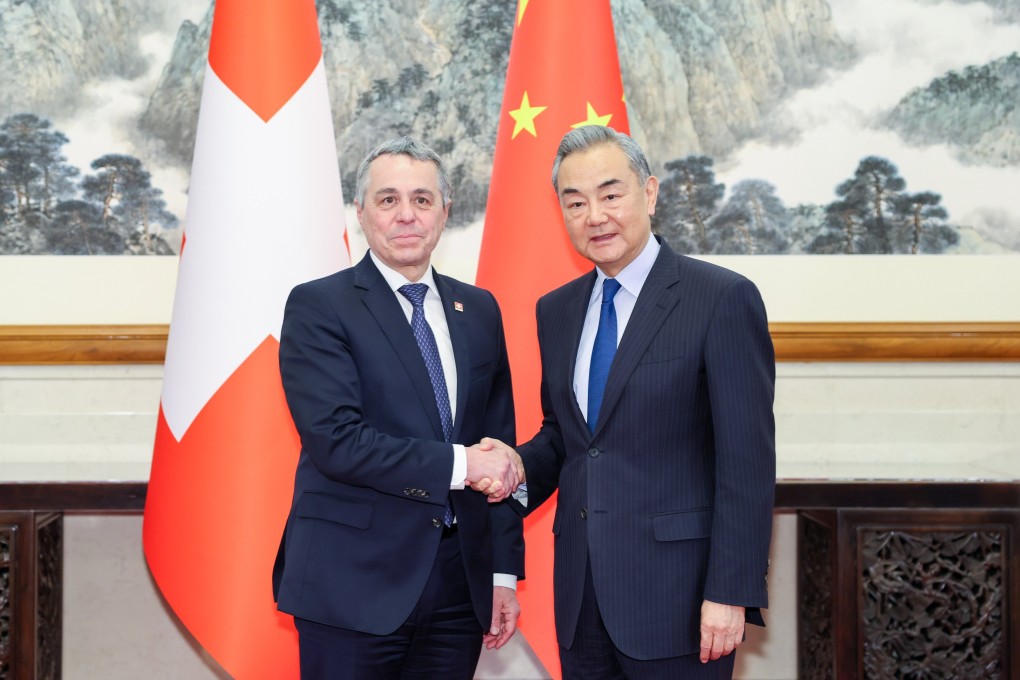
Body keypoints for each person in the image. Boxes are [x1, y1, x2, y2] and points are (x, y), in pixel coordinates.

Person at [479, 126, 776, 679]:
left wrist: (730, 592)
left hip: (682, 603)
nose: (596, 215)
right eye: (576, 201)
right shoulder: (557, 311)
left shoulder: (720, 298)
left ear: (650, 194)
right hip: (582, 599)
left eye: (611, 194)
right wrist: (515, 468)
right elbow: (568, 438)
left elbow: (748, 463)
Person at [272, 136, 525, 679]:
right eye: (388, 200)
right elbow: (337, 442)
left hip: (460, 587)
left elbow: (498, 450)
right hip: (351, 586)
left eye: (422, 199)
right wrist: (463, 466)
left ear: (444, 212)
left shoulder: (478, 309)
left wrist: (503, 573)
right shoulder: (319, 306)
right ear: (361, 212)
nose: (406, 215)